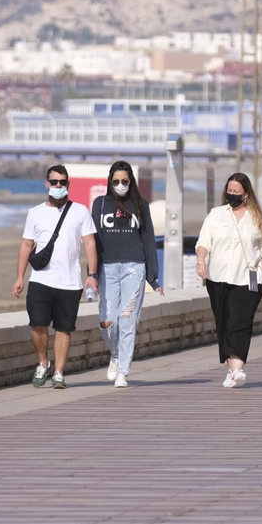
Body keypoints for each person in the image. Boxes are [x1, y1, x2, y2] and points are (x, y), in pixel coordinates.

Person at [11, 164, 98, 390]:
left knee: (63, 328)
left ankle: (59, 373)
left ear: (68, 184)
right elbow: (26, 245)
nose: (58, 186)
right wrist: (20, 277)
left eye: (62, 182)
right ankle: (43, 362)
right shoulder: (35, 213)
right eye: (54, 182)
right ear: (47, 184)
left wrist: (92, 275)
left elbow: (89, 243)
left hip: (70, 282)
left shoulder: (80, 211)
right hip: (40, 280)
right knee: (37, 325)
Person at [196, 173, 262, 388]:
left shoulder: (258, 217)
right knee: (224, 323)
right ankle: (232, 370)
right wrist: (201, 261)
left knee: (241, 323)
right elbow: (204, 242)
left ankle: (238, 369)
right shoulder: (216, 215)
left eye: (236, 192)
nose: (232, 195)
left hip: (248, 278)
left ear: (246, 194)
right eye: (229, 191)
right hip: (218, 278)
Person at [91, 160, 162, 388]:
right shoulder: (100, 204)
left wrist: (153, 276)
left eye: (124, 181)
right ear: (109, 182)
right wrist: (92, 274)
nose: (120, 185)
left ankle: (123, 372)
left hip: (134, 267)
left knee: (127, 319)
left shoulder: (140, 204)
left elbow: (148, 239)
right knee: (107, 321)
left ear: (130, 181)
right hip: (107, 268)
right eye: (116, 181)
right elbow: (93, 242)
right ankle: (115, 354)